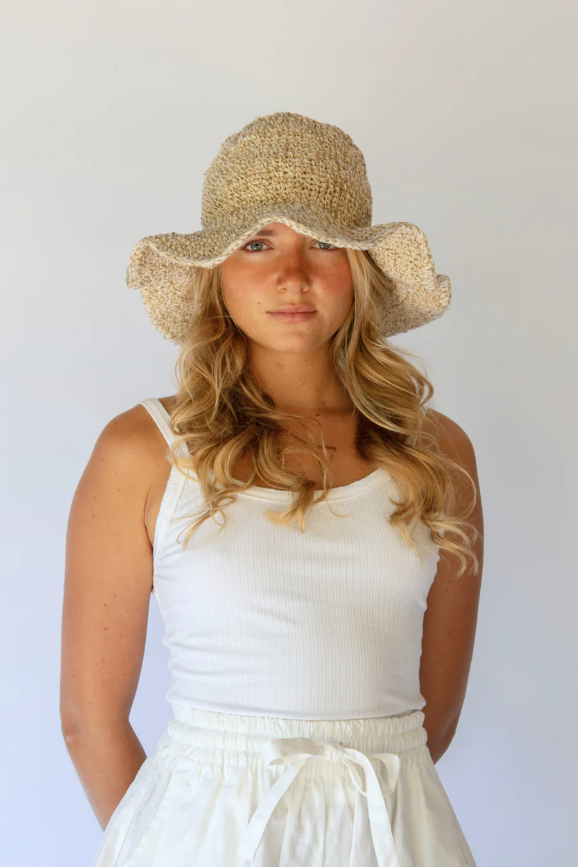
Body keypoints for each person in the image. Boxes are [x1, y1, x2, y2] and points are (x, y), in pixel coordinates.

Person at [61, 111, 483, 867]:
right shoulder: (144, 452)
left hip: (392, 830)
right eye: (257, 243)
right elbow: (89, 721)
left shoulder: (436, 453)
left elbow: (433, 717)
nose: (293, 274)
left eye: (323, 242)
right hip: (204, 841)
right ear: (215, 270)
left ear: (360, 267)